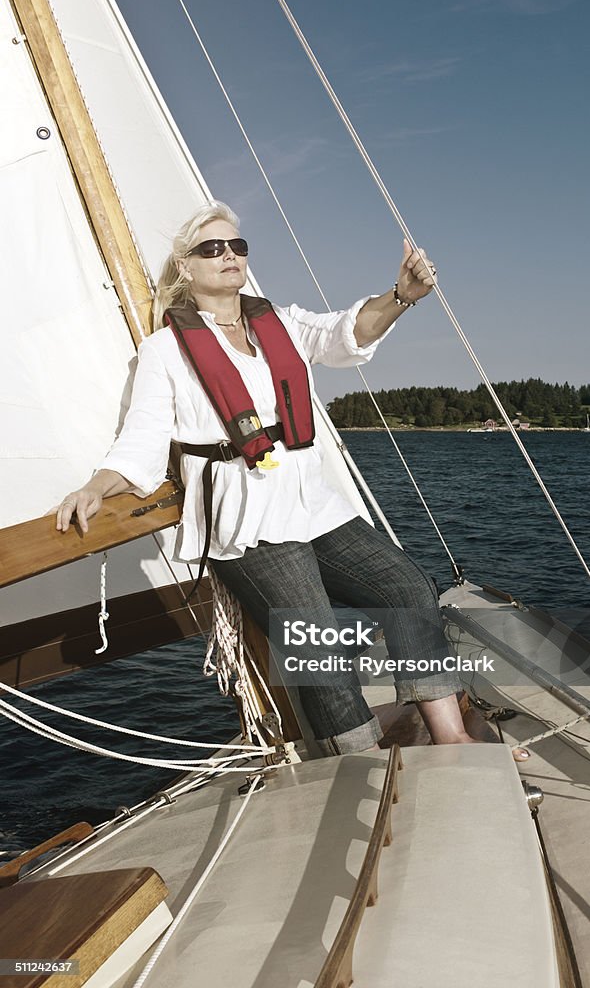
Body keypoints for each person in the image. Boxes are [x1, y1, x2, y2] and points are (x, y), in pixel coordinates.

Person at [55, 200, 529, 760]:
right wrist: (97, 485)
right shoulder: (163, 353)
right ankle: (361, 762)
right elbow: (140, 442)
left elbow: (346, 333)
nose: (229, 255)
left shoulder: (278, 323)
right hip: (246, 519)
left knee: (406, 588)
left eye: (237, 245)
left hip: (310, 501)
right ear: (186, 267)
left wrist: (401, 297)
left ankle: (451, 736)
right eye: (212, 248)